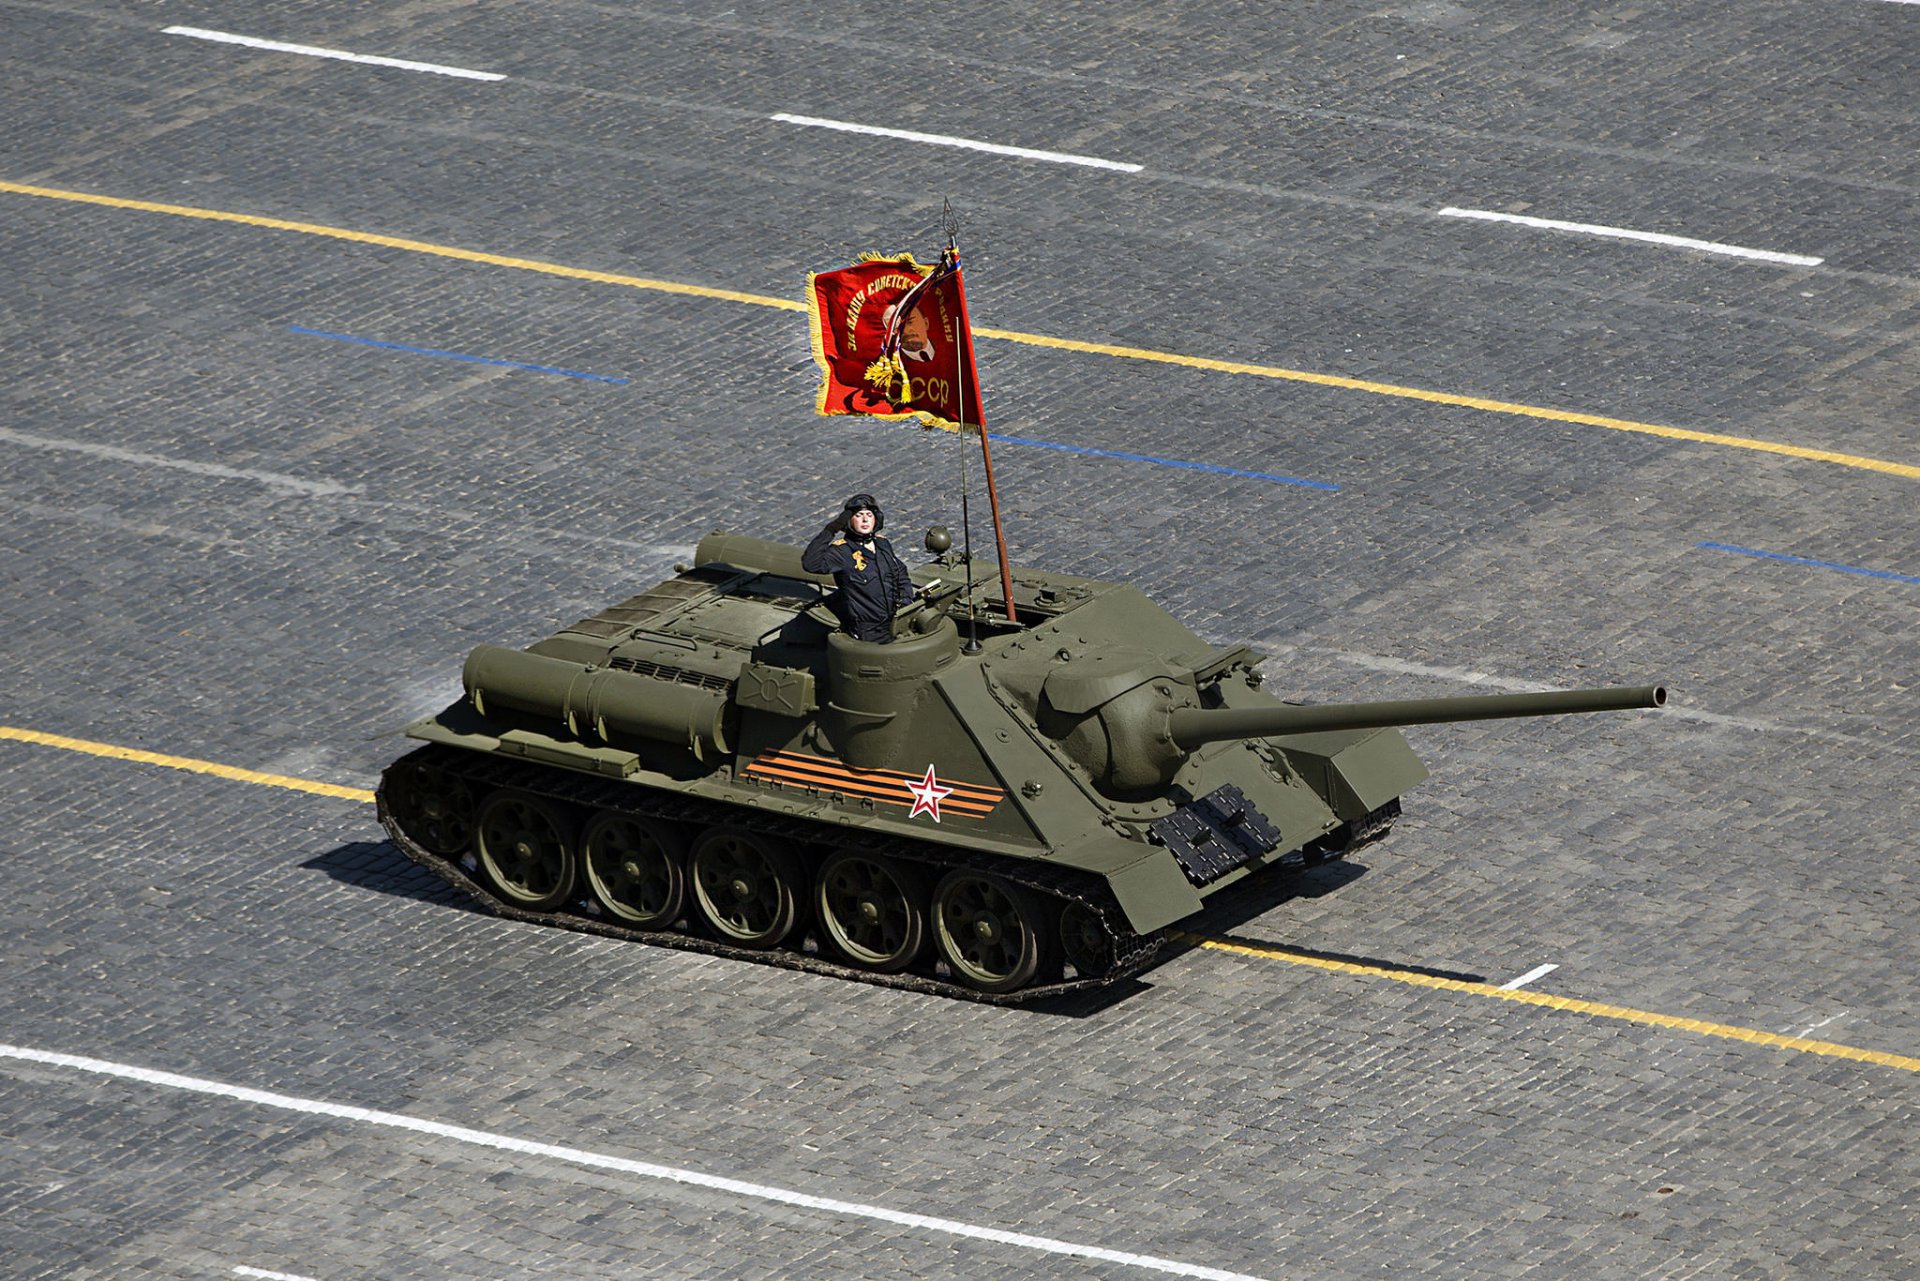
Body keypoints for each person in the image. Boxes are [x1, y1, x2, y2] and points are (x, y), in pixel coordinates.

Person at [802, 493, 915, 643]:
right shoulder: (842, 552)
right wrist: (831, 529)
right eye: (859, 515)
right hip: (868, 630)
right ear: (849, 520)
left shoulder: (882, 544)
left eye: (869, 515)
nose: (865, 520)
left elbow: (900, 573)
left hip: (896, 621)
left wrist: (906, 601)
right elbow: (811, 563)